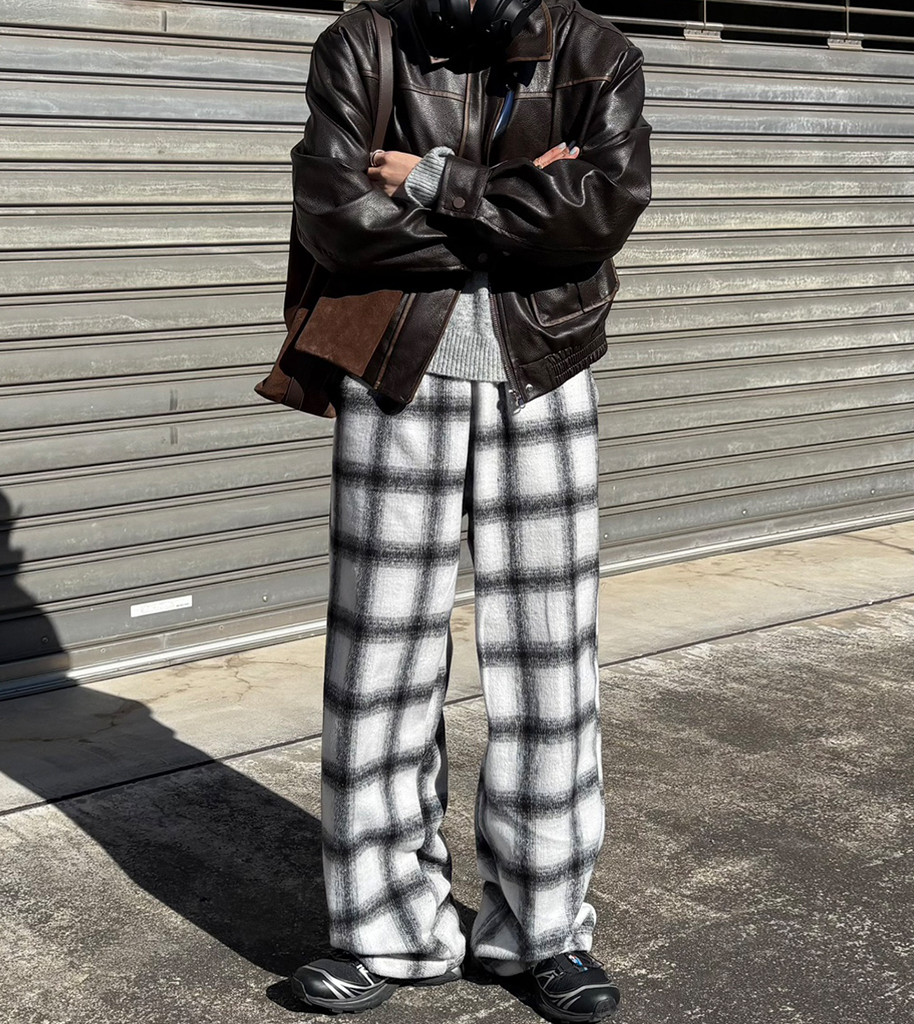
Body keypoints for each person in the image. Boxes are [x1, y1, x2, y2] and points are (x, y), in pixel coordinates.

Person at [287, 0, 651, 1018]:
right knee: (378, 663)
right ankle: (384, 932)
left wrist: (434, 181)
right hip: (393, 368)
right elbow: (336, 214)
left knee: (549, 665)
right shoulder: (363, 44)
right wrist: (517, 203)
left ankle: (544, 934)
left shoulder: (595, 53)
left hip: (546, 370)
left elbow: (598, 214)